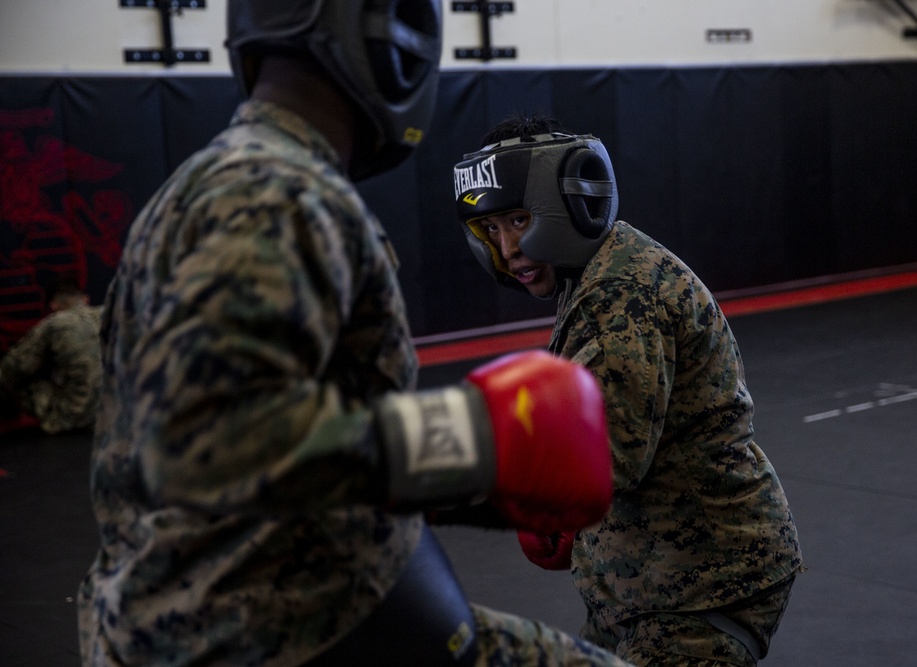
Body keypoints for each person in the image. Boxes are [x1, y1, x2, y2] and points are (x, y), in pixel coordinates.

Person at [78, 3, 632, 666]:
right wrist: (474, 441)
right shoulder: (276, 190)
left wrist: (483, 488)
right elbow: (210, 441)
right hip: (270, 630)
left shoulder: (204, 183)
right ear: (391, 45)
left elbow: (272, 451)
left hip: (239, 612)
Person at [453, 113, 805, 666]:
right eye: (491, 230)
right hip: (644, 583)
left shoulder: (619, 292)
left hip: (700, 587)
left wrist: (443, 469)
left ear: (570, 200)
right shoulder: (592, 272)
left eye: (520, 220)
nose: (509, 248)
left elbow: (602, 460)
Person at [0, 276, 102, 434]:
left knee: (11, 376)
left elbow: (14, 367)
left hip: (72, 416)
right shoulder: (108, 314)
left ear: (53, 305)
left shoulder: (54, 323)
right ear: (85, 299)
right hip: (114, 415)